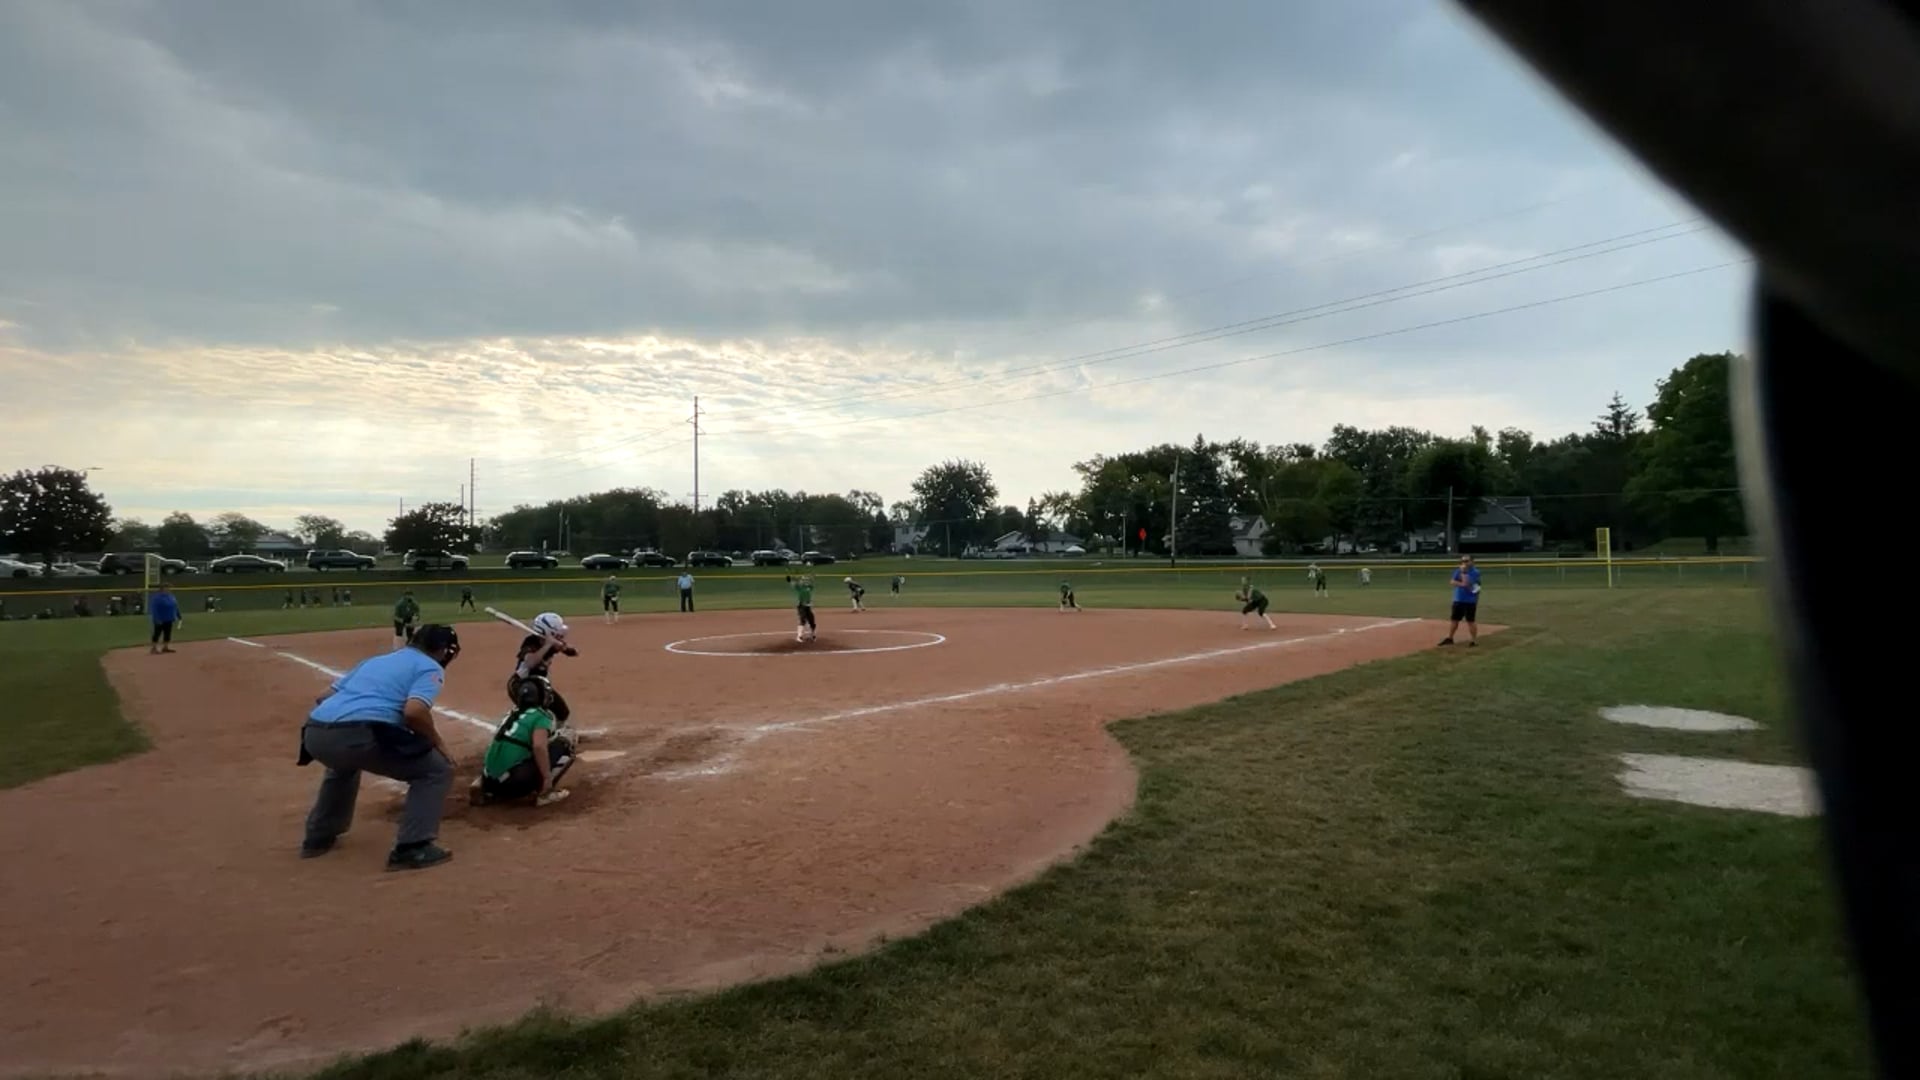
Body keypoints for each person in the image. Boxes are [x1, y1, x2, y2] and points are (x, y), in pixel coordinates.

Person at [298, 624, 463, 870]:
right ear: (441, 650)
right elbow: (414, 712)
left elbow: (323, 697)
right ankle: (413, 847)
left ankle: (318, 838)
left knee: (342, 764)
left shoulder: (375, 661)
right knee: (437, 770)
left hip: (314, 733)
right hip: (356, 735)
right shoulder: (430, 666)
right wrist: (438, 743)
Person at [470, 675, 575, 808]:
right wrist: (547, 778)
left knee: (512, 747)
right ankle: (545, 793)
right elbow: (538, 747)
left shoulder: (512, 714)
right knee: (565, 742)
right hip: (514, 784)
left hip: (489, 781)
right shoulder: (541, 716)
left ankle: (481, 784)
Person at [508, 612, 577, 727]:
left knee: (562, 712)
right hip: (521, 685)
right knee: (535, 715)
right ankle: (510, 729)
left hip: (540, 685)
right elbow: (530, 663)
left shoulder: (552, 643)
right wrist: (547, 645)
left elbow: (573, 652)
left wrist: (563, 647)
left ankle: (555, 733)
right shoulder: (530, 642)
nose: (560, 634)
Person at [1440, 555, 1482, 647]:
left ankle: (1473, 641)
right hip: (1458, 599)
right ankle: (1450, 638)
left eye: (1467, 561)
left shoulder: (1475, 572)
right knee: (1454, 620)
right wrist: (1461, 583)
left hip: (1470, 600)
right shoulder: (1458, 570)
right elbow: (1452, 581)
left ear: (1472, 562)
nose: (1464, 563)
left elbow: (1467, 584)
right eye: (1463, 561)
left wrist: (1463, 573)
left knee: (1470, 621)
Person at [148, 584, 180, 654]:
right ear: (162, 589)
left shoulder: (171, 596)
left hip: (169, 618)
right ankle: (154, 648)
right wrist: (157, 619)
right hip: (160, 619)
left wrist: (178, 615)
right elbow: (154, 609)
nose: (169, 589)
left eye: (169, 588)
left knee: (167, 633)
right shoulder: (157, 598)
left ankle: (165, 647)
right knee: (157, 633)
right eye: (167, 588)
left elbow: (175, 606)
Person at [787, 574, 817, 642]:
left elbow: (812, 583)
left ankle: (813, 635)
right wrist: (789, 580)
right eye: (803, 580)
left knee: (812, 621)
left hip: (808, 606)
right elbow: (793, 584)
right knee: (803, 620)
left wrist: (812, 578)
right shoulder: (799, 587)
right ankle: (799, 636)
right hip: (801, 606)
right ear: (801, 581)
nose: (805, 581)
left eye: (806, 580)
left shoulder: (809, 587)